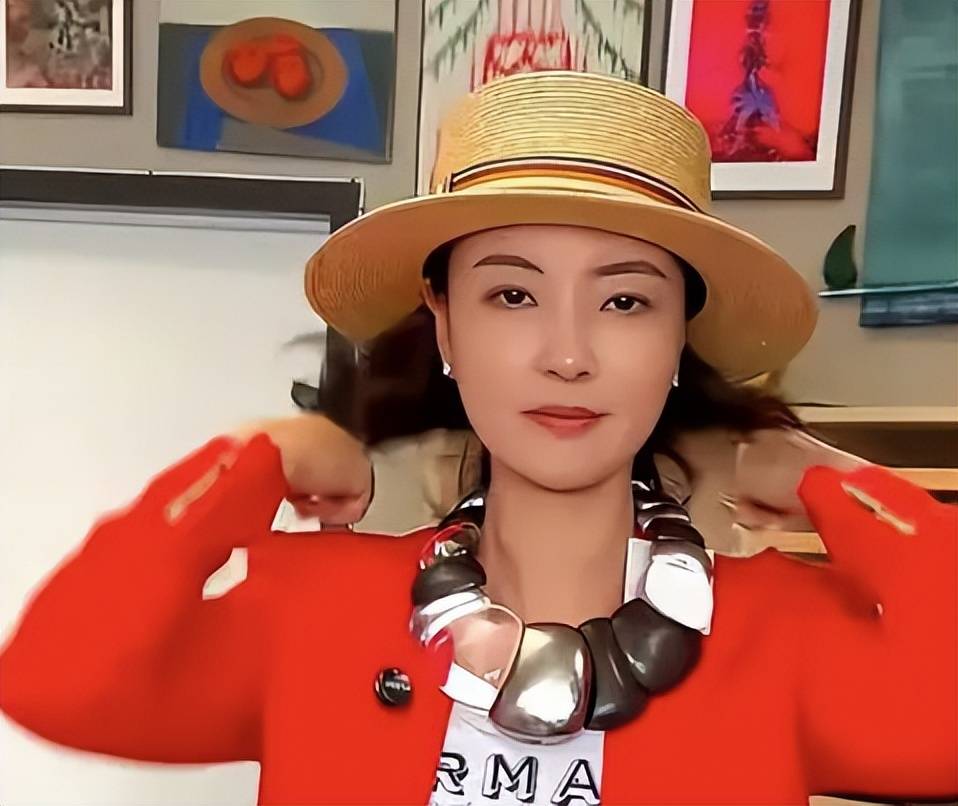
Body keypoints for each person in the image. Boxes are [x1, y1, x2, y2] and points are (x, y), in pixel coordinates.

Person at [1, 72, 955, 804]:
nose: (568, 355)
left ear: (679, 339)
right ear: (446, 322)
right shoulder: (312, 606)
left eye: (626, 301)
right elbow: (56, 681)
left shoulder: (777, 633)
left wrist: (833, 483)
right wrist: (260, 459)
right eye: (511, 294)